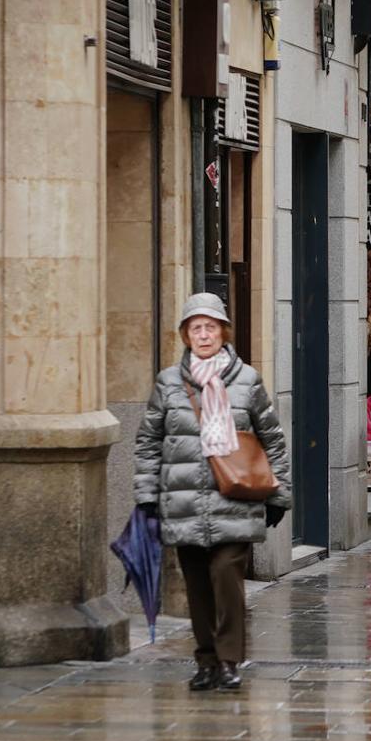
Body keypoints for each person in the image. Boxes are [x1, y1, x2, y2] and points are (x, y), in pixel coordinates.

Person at [134, 293, 291, 692]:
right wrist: (147, 495)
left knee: (226, 577)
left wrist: (279, 494)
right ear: (186, 336)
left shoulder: (247, 380)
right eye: (195, 328)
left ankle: (228, 660)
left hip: (234, 500)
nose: (204, 334)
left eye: (211, 327)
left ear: (223, 331)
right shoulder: (169, 383)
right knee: (197, 586)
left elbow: (272, 440)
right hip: (183, 500)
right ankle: (205, 661)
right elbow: (149, 441)